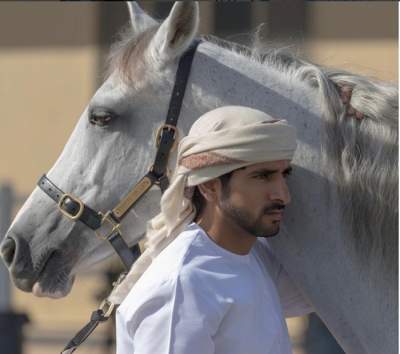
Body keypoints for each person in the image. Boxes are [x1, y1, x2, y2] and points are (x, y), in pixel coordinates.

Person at [114, 106, 314, 354]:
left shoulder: (254, 258)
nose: (283, 195)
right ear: (209, 187)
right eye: (262, 176)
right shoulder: (183, 284)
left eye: (284, 175)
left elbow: (334, 294)